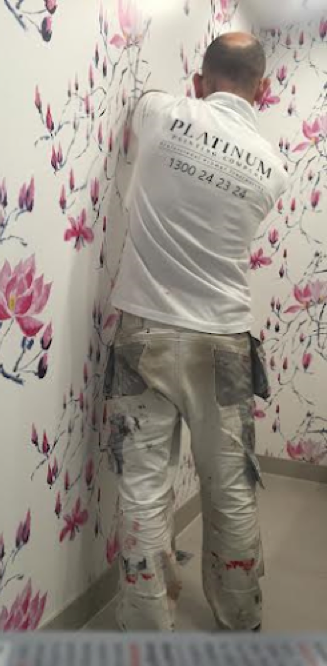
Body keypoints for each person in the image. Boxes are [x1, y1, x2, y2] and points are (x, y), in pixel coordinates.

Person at [106, 32, 288, 632]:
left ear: (199, 80)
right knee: (230, 484)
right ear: (263, 89)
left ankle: (146, 625)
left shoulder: (161, 112)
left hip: (145, 334)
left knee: (143, 484)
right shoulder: (273, 169)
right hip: (226, 341)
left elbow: (145, 108)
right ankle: (240, 615)